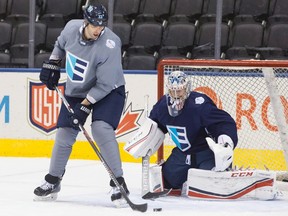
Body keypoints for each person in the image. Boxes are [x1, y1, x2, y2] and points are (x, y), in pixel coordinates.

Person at [34, 1, 129, 207]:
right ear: (86, 21)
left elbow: (104, 84)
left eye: (102, 25)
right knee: (64, 132)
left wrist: (85, 106)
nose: (99, 29)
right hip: (77, 89)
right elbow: (59, 45)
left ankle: (118, 182)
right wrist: (52, 63)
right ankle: (53, 181)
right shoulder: (70, 28)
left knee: (101, 129)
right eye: (95, 25)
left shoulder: (111, 43)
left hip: (109, 91)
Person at [125, 70, 238, 192]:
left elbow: (222, 122)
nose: (176, 94)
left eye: (179, 90)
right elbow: (156, 125)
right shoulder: (162, 106)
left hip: (205, 152)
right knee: (166, 182)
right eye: (172, 90)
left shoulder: (199, 104)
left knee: (211, 186)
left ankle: (223, 171)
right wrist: (145, 138)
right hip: (183, 154)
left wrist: (225, 140)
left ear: (186, 88)